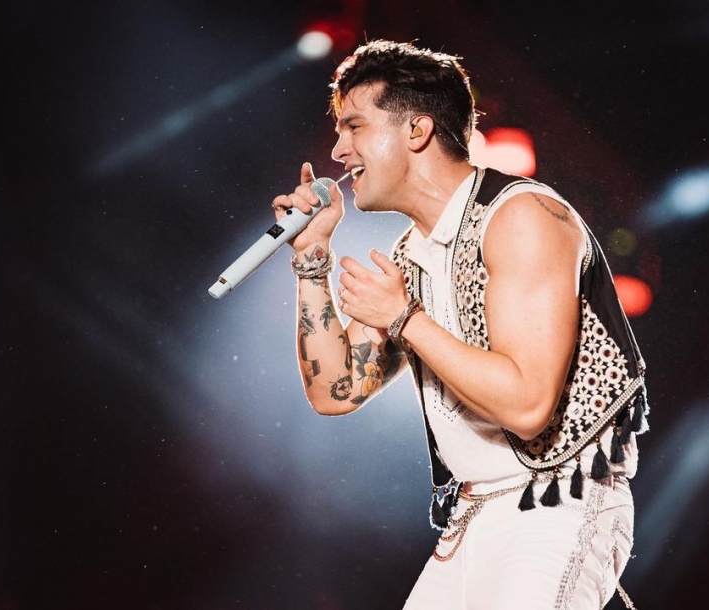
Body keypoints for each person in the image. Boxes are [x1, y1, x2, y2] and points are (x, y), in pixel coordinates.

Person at [272, 39, 649, 610]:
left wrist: (404, 317)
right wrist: (311, 258)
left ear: (416, 130)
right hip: (473, 517)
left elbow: (527, 406)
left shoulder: (521, 216)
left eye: (354, 127)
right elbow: (335, 391)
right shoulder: (410, 256)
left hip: (555, 504)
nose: (338, 149)